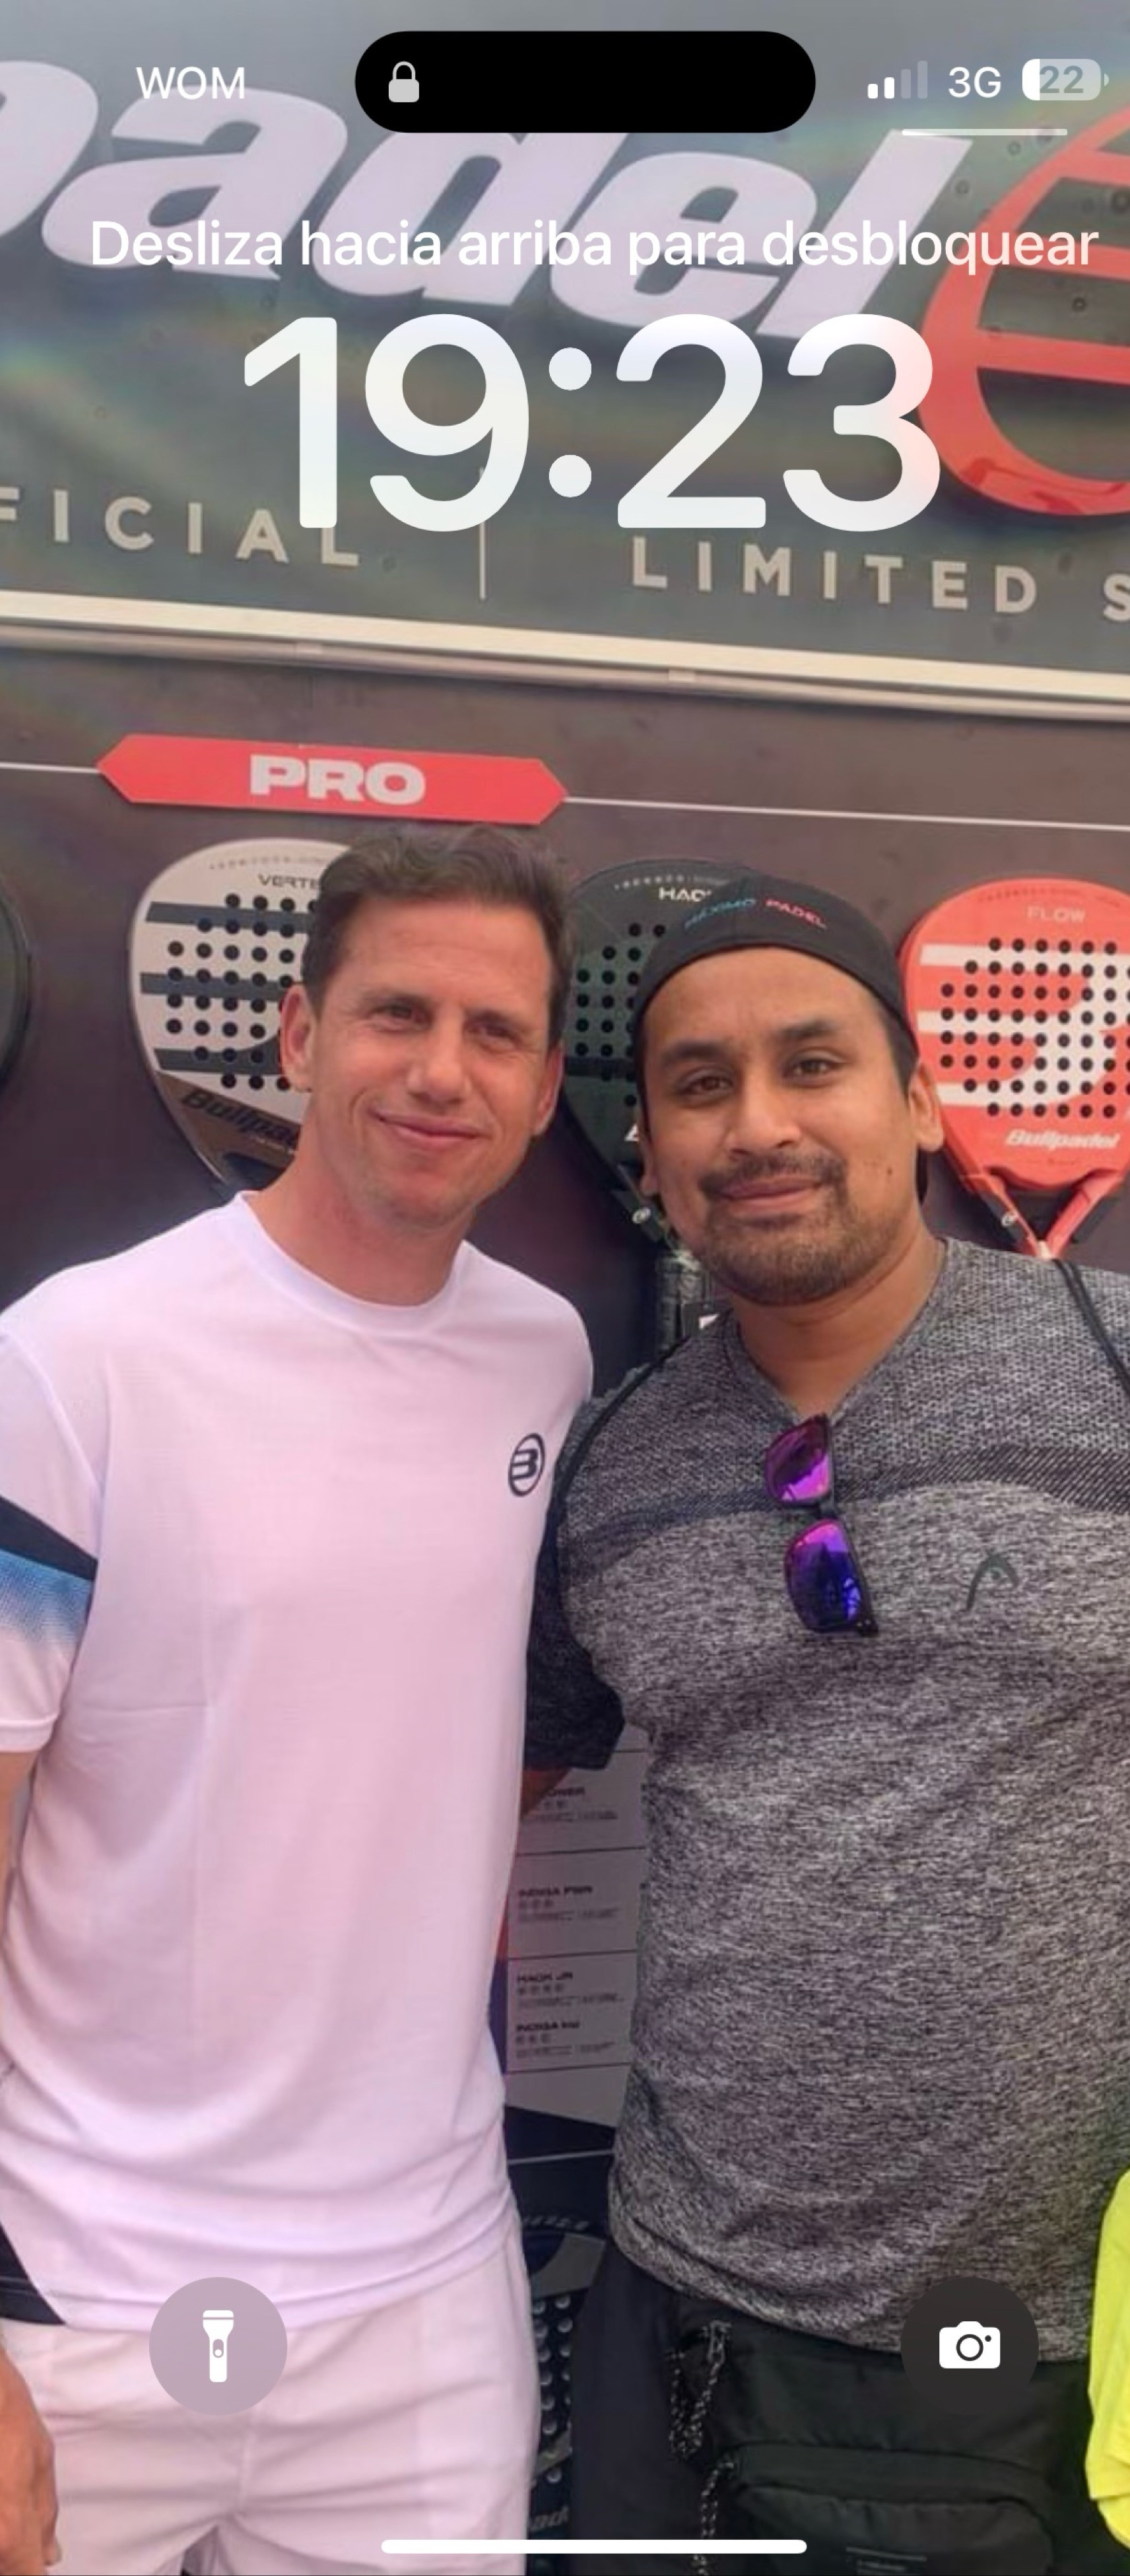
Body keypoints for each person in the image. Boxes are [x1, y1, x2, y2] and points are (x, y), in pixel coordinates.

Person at [523, 867, 1130, 2573]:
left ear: (919, 1101)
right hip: (688, 2328)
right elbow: (488, 1796)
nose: (759, 1123)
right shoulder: (612, 1467)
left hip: (1076, 2355)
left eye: (812, 1063)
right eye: (701, 1084)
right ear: (652, 1152)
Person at [0, 825, 592, 2576]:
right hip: (83, 2289)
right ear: (299, 1033)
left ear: (543, 1086)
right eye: (398, 1012)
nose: (443, 1070)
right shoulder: (76, 1360)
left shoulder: (545, 1356)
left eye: (495, 1032)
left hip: (422, 2299)